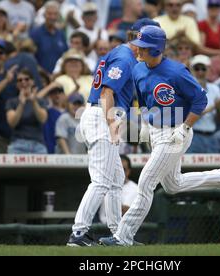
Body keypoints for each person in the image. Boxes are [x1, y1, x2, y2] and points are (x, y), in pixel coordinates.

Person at [99, 25, 220, 246]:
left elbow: (200, 101)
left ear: (156, 49)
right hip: (156, 131)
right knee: (173, 185)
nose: (138, 50)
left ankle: (123, 237)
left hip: (175, 132)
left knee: (146, 183)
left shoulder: (177, 71)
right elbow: (144, 98)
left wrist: (184, 128)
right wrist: (146, 121)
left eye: (144, 47)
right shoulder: (138, 69)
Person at [67, 19, 162, 247]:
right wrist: (111, 123)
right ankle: (78, 234)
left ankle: (118, 235)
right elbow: (107, 92)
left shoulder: (123, 54)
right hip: (102, 115)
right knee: (100, 181)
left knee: (116, 179)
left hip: (102, 115)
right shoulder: (125, 57)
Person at [187, 54, 220, 153]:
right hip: (193, 136)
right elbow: (188, 118)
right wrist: (213, 107)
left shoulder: (215, 89)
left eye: (203, 69)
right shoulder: (186, 89)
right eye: (197, 68)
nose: (200, 72)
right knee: (192, 168)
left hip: (211, 136)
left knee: (212, 168)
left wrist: (218, 108)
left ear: (208, 70)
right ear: (192, 70)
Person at [6, 69, 48, 154]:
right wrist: (21, 103)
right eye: (19, 80)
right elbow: (12, 122)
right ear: (16, 84)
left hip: (38, 145)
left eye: (27, 79)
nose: (23, 82)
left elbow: (42, 119)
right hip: (17, 144)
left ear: (32, 81)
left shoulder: (40, 101)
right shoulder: (12, 102)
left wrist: (33, 101)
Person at [98, 155, 138, 224]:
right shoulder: (104, 185)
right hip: (103, 227)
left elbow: (124, 211)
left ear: (128, 171)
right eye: (117, 169)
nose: (120, 173)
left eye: (123, 169)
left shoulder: (135, 188)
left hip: (123, 228)